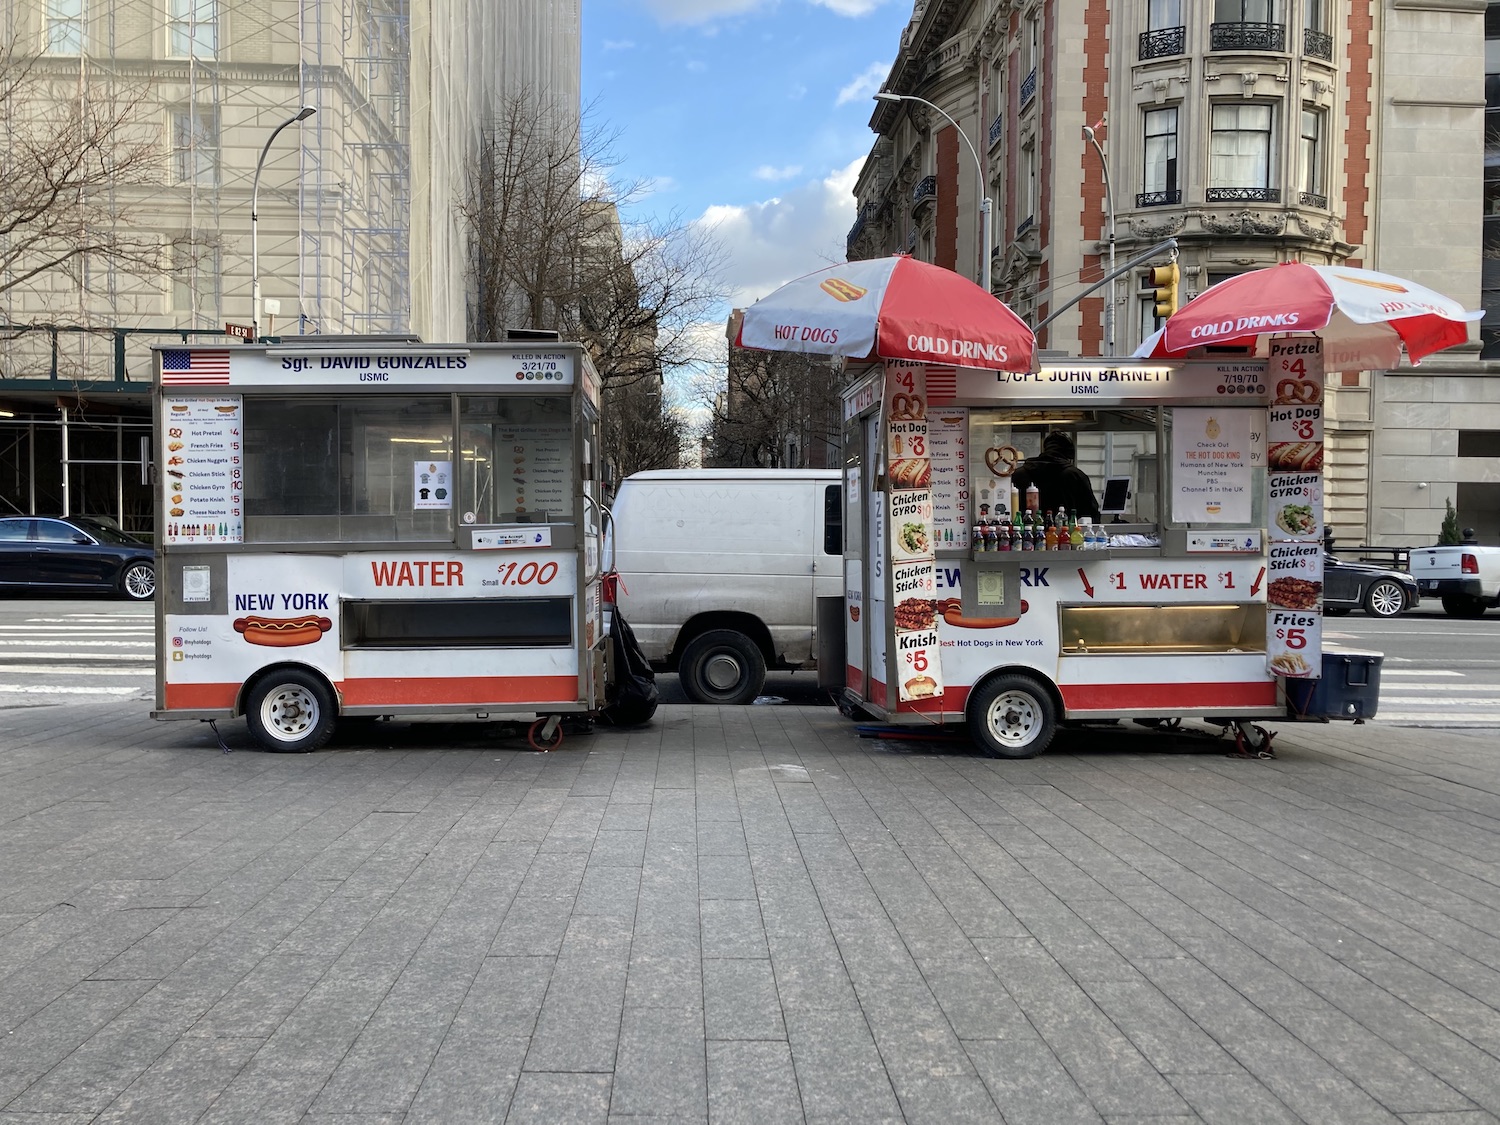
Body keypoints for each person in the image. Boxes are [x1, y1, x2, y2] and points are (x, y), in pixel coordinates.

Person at [1012, 432, 1101, 523]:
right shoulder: (1076, 476)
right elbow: (1091, 513)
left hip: (1026, 532)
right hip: (1068, 534)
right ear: (1069, 455)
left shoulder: (1019, 474)